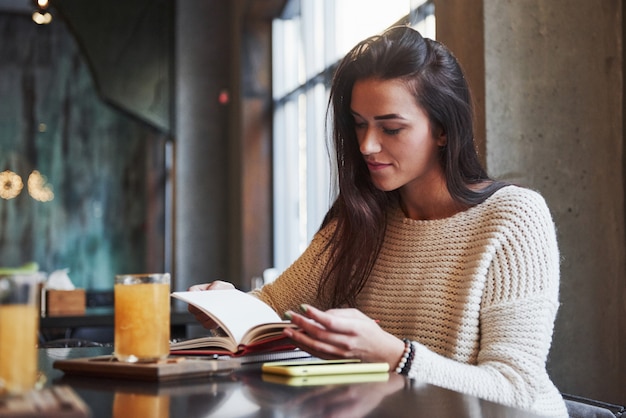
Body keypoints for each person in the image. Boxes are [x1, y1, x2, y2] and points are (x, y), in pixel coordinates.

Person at [189, 26, 568, 417]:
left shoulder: (514, 217)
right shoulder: (360, 219)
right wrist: (226, 305)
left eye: (391, 128)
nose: (367, 145)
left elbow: (517, 388)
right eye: (358, 124)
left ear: (442, 130)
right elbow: (271, 306)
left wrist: (396, 355)